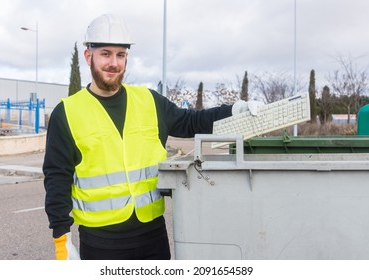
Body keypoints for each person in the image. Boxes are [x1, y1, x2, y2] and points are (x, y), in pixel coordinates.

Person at [43, 13, 252, 260]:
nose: (114, 62)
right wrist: (62, 239)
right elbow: (57, 177)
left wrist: (234, 110)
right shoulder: (67, 112)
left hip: (152, 235)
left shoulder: (149, 100)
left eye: (120, 55)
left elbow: (191, 121)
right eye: (106, 54)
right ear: (89, 56)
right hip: (100, 241)